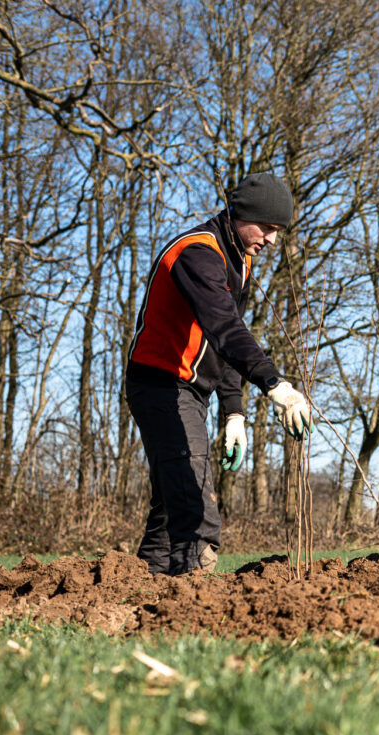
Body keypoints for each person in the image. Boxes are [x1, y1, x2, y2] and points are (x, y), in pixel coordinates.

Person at [125, 173, 313, 576]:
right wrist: (273, 383)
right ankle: (194, 594)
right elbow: (223, 327)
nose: (272, 239)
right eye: (267, 227)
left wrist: (234, 412)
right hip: (160, 382)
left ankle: (144, 585)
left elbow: (226, 345)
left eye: (278, 231)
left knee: (172, 495)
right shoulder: (197, 254)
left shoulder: (239, 259)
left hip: (191, 390)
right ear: (240, 214)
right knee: (193, 499)